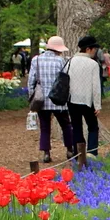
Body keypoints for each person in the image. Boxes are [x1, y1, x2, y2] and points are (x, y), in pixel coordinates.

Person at [28, 35, 75, 163]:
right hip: (58, 99)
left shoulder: (36, 60)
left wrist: (32, 96)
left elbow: (31, 81)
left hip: (42, 100)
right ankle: (70, 150)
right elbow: (65, 80)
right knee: (66, 125)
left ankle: (46, 153)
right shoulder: (62, 61)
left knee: (44, 127)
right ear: (58, 49)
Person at [68, 36, 103, 157]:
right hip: (88, 101)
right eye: (94, 49)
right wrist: (98, 105)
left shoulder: (70, 61)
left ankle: (78, 154)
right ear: (88, 49)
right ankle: (92, 153)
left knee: (76, 127)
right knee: (93, 127)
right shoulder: (93, 64)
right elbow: (96, 87)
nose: (95, 51)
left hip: (72, 100)